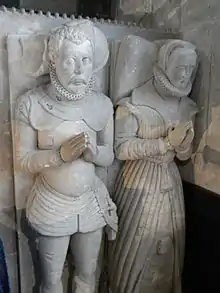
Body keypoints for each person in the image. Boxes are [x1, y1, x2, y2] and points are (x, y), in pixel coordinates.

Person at [15, 19, 117, 293]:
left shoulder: (102, 104)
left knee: (87, 273)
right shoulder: (31, 103)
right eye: (70, 60)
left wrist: (94, 153)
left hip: (90, 202)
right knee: (51, 281)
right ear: (53, 60)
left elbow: (109, 155)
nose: (80, 69)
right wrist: (59, 155)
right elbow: (22, 160)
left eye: (85, 59)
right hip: (52, 203)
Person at [109, 40, 198, 293]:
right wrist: (163, 143)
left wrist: (182, 146)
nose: (185, 75)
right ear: (164, 65)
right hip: (139, 185)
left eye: (190, 69)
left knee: (169, 250)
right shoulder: (133, 103)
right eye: (180, 67)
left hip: (170, 185)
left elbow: (184, 157)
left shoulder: (187, 107)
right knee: (136, 251)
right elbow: (121, 148)